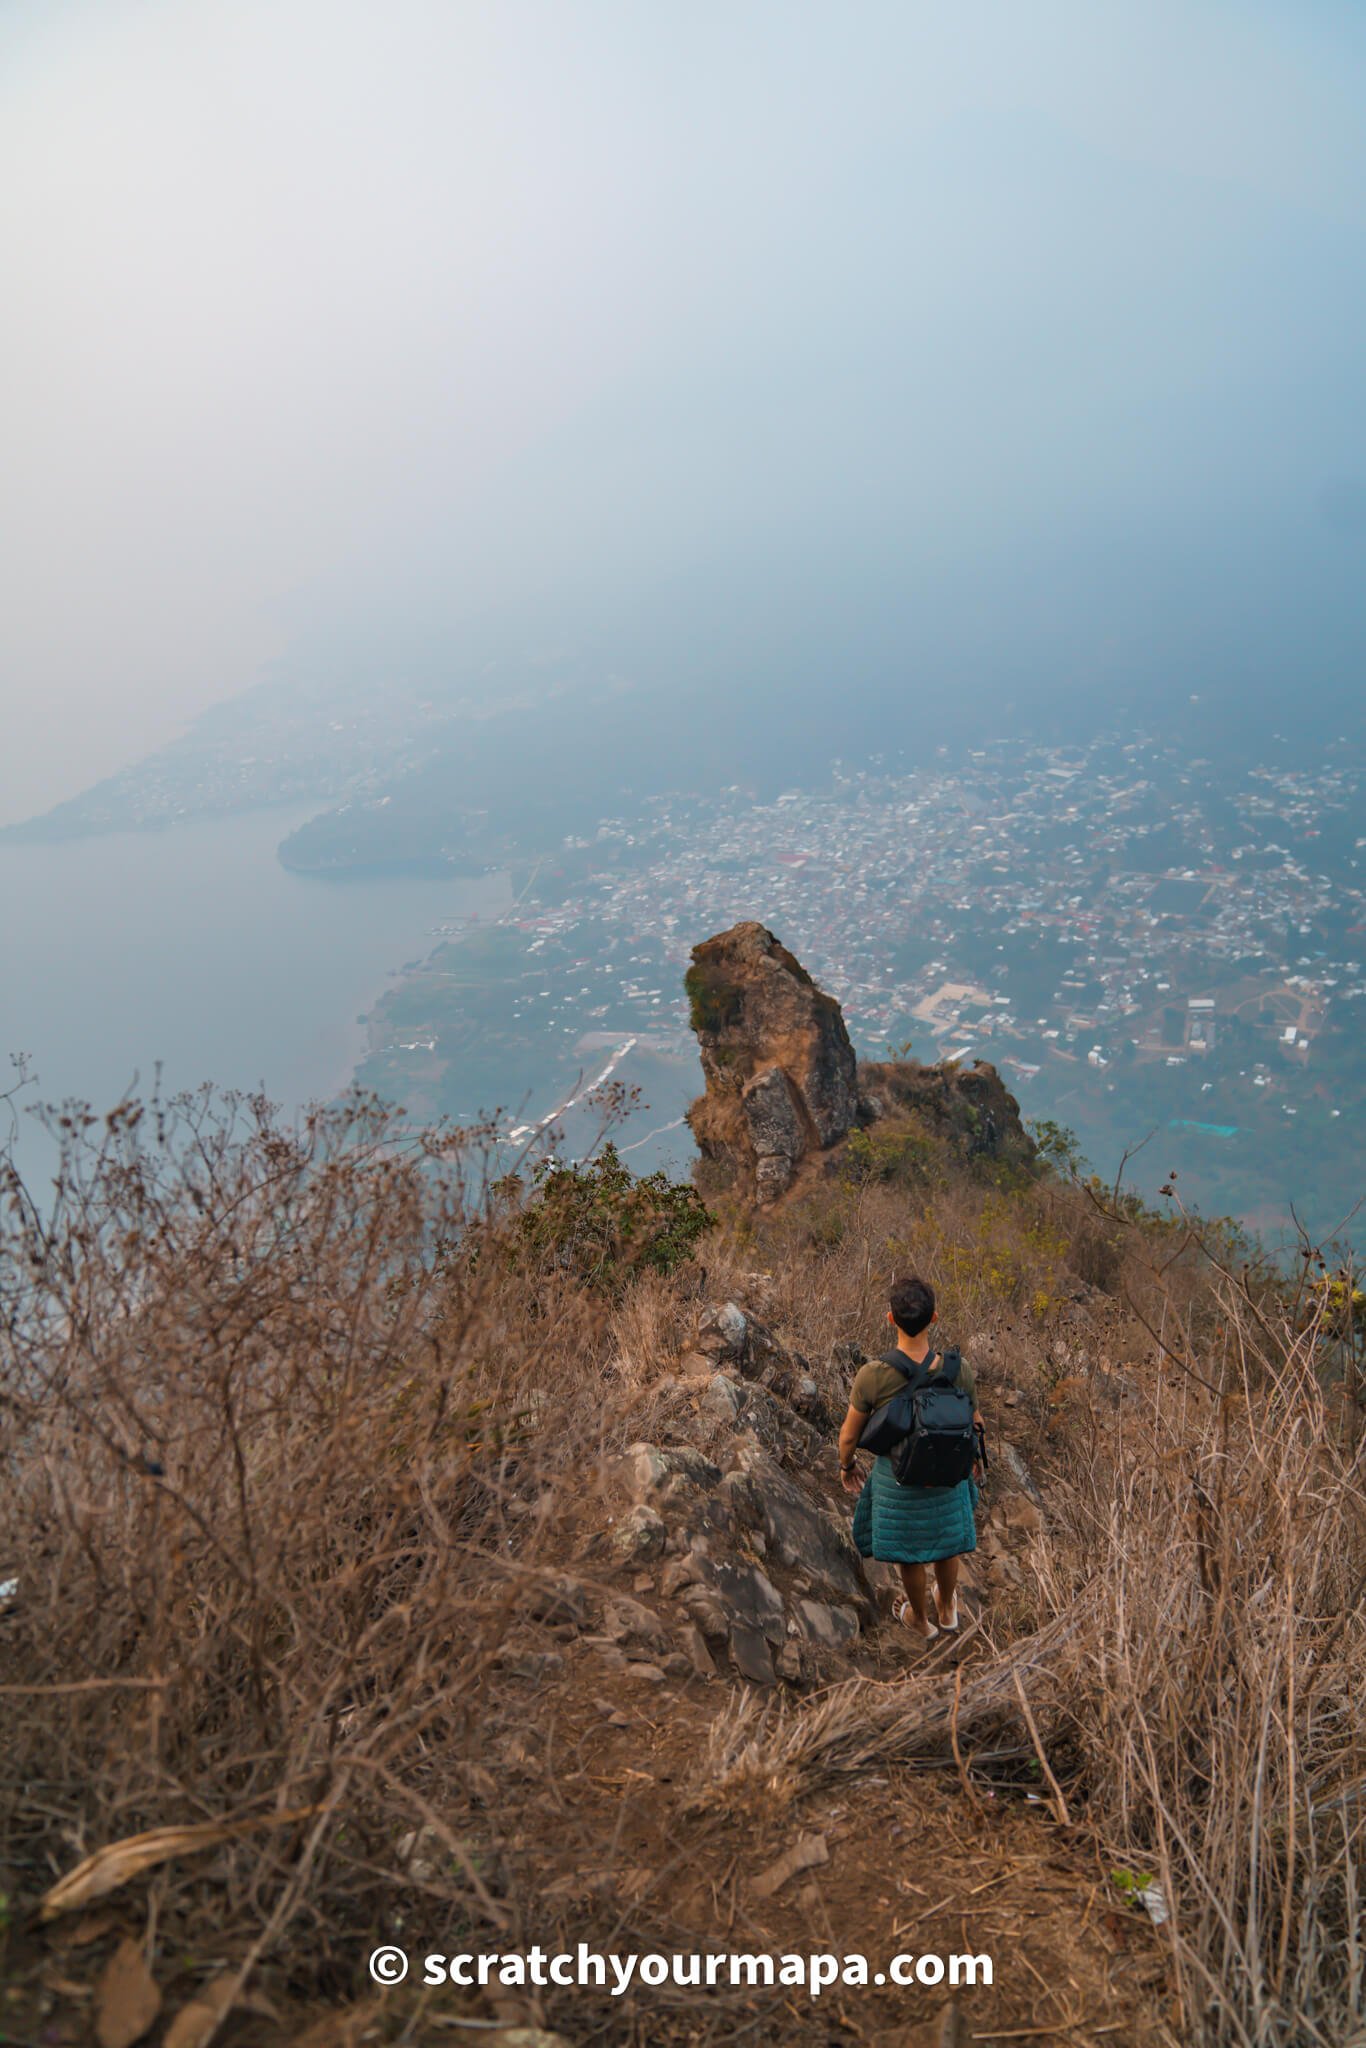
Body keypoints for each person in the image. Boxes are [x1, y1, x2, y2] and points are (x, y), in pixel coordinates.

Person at [837, 1274, 982, 1640]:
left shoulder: (873, 1375)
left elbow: (849, 1435)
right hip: (949, 1475)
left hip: (898, 1479)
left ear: (890, 1319)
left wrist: (847, 1466)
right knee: (947, 1542)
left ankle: (920, 1618)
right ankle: (947, 1609)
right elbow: (976, 1422)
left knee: (910, 1553)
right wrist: (975, 1460)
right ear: (934, 1319)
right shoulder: (957, 1369)